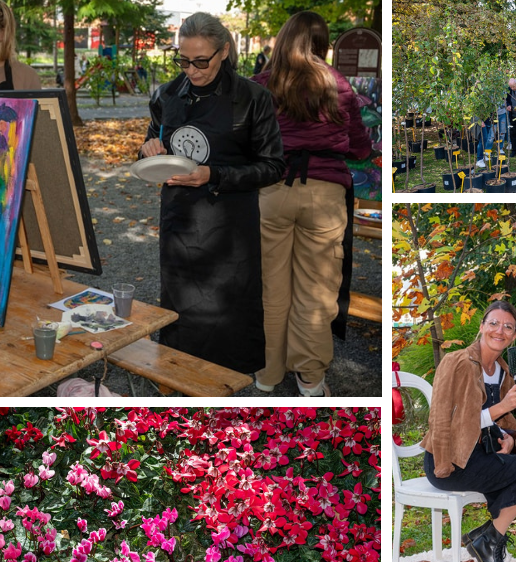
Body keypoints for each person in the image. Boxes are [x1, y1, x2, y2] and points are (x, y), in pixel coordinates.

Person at [138, 12, 284, 376]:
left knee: (229, 319)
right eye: (183, 60)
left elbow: (273, 166)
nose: (191, 69)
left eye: (201, 61)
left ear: (223, 52)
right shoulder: (167, 95)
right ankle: (177, 386)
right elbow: (149, 142)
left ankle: (226, 394)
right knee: (181, 316)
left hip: (230, 228)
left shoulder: (252, 98)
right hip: (180, 225)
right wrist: (147, 149)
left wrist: (213, 174)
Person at [250, 11, 370, 397]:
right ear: (322, 43)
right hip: (325, 195)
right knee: (316, 290)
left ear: (283, 39)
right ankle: (310, 376)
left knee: (270, 286)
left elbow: (244, 141)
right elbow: (361, 146)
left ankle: (267, 373)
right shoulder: (337, 83)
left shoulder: (262, 84)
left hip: (271, 192)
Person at [420, 301, 516, 562]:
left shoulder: (502, 369)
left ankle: (489, 537)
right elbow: (441, 419)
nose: (501, 330)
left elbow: (493, 420)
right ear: (482, 327)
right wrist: (501, 408)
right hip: (451, 460)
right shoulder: (456, 361)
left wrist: (505, 436)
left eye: (508, 327)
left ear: (514, 336)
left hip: (484, 454)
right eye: (494, 323)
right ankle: (488, 539)